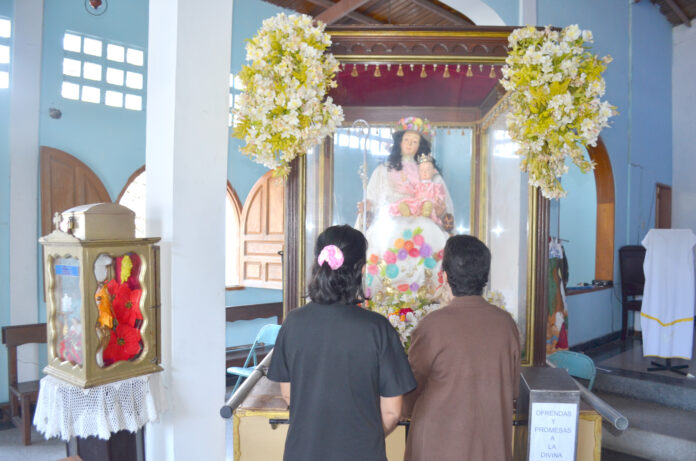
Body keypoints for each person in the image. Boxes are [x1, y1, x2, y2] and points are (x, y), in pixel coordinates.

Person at [267, 225, 417, 461]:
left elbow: (289, 396)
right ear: (361, 270)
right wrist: (364, 437)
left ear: (318, 265)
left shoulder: (293, 323)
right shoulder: (377, 329)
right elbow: (392, 411)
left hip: (303, 453)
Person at [402, 235, 521, 461]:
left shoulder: (432, 326)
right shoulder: (506, 325)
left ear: (445, 276)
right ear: (485, 276)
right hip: (490, 447)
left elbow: (410, 389)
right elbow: (514, 390)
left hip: (437, 448)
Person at [359, 117, 454, 310]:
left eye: (415, 141)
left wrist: (438, 209)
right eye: (407, 140)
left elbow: (442, 204)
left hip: (423, 223)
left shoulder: (429, 172)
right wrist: (367, 209)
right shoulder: (383, 170)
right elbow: (373, 201)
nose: (410, 145)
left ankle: (427, 297)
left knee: (431, 251)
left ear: (421, 145)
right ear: (399, 142)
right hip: (390, 223)